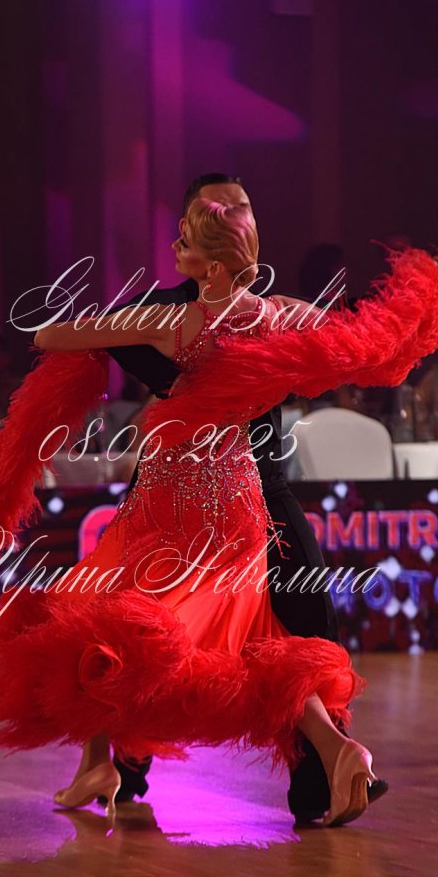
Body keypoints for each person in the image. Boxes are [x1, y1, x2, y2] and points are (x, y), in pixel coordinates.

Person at [0, 196, 438, 828]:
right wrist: (431, 291)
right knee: (249, 639)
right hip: (241, 497)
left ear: (213, 266)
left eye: (185, 244)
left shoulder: (175, 322)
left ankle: (104, 760)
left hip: (172, 498)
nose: (174, 253)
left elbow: (47, 335)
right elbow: (375, 345)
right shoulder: (285, 315)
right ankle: (331, 747)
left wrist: (109, 336)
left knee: (109, 621)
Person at [102, 174, 385, 823]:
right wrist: (186, 382)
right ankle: (128, 753)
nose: (233, 214)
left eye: (243, 205)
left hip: (265, 488)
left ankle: (323, 781)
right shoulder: (165, 311)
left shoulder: (271, 310)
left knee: (308, 625)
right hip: (181, 498)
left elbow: (350, 340)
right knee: (152, 629)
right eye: (217, 207)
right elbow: (105, 336)